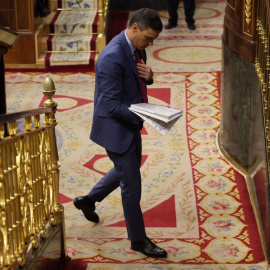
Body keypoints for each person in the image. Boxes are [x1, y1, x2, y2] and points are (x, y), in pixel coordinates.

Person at [73, 8, 167, 258]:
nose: (150, 44)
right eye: (148, 38)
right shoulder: (111, 57)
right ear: (134, 28)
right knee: (131, 185)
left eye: (153, 40)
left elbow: (135, 80)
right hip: (115, 127)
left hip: (129, 121)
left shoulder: (137, 47)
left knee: (129, 168)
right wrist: (148, 114)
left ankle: (88, 200)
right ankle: (138, 239)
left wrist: (149, 78)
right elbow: (111, 105)